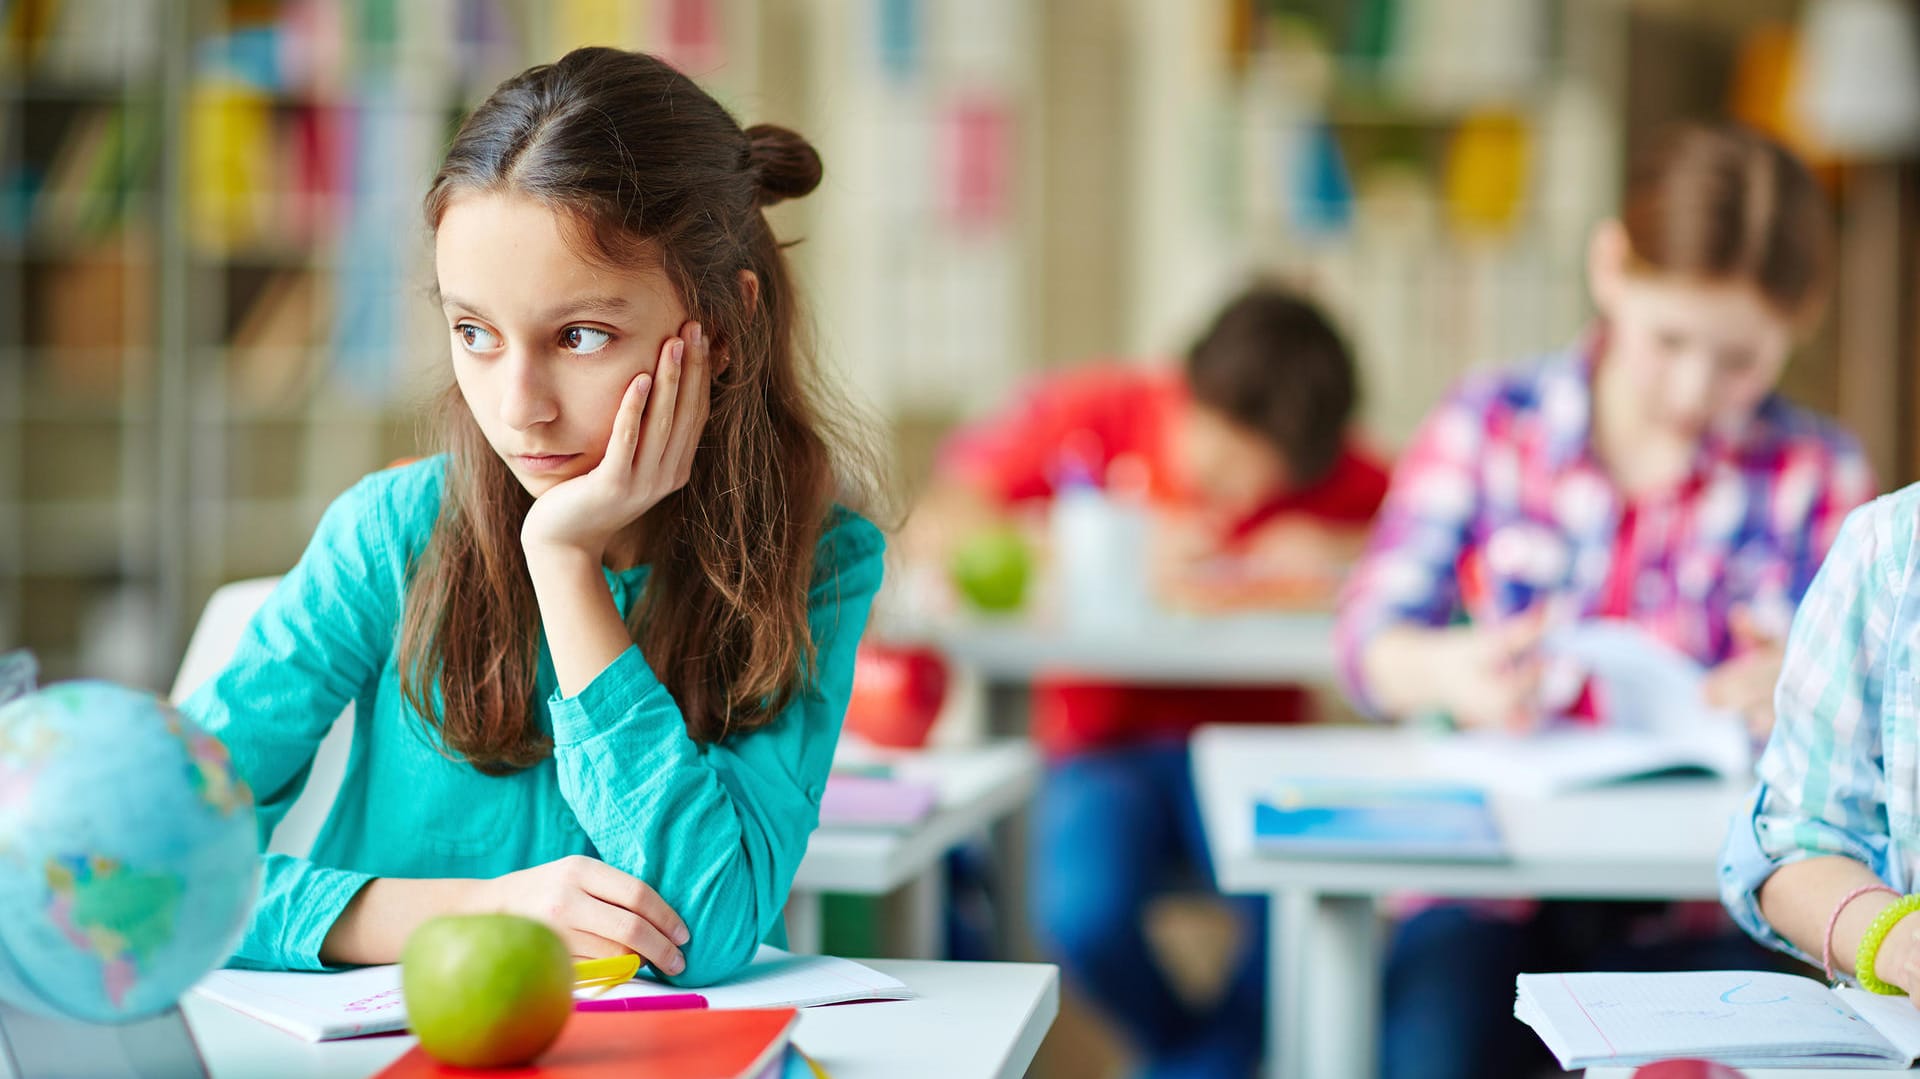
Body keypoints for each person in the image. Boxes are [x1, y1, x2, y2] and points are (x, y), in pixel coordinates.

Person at [182, 47, 884, 987]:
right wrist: (482, 910)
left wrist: (563, 561)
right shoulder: (390, 532)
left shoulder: (821, 559)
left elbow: (707, 925)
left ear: (722, 329)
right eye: (474, 333)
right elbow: (151, 870)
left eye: (580, 336)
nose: (518, 407)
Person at [1332, 123, 1876, 1078]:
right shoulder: (1491, 424)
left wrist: (1800, 701)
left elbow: (1869, 743)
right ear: (1610, 269)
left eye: (1741, 359)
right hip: (1485, 893)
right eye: (1668, 339)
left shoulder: (1815, 472)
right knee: (1432, 1050)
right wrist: (1448, 669)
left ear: (1804, 322)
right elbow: (1367, 638)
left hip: (1710, 909)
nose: (1695, 387)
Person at [916, 286, 1389, 1077]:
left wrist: (1339, 550)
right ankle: (1198, 1059)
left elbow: (1438, 532)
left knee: (1309, 919)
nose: (1240, 499)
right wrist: (1092, 549)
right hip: (1104, 746)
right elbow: (943, 521)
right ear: (1187, 391)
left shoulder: (1327, 465)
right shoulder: (1097, 412)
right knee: (1080, 911)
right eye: (1226, 465)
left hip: (1258, 751)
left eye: (1263, 485)